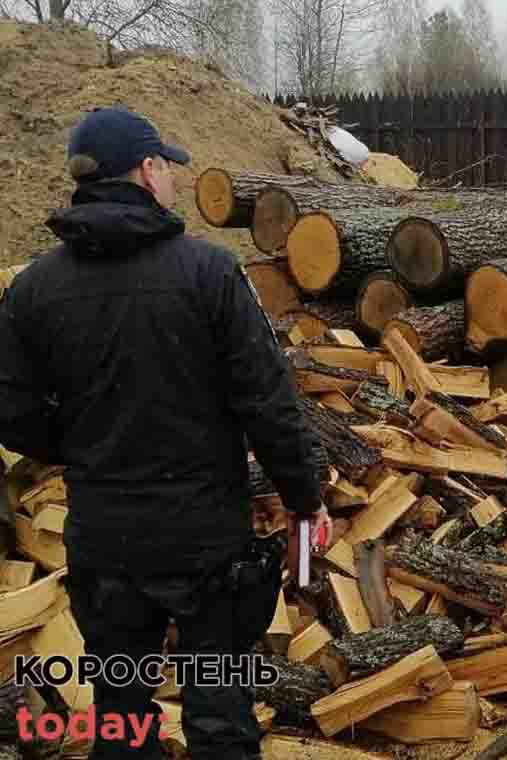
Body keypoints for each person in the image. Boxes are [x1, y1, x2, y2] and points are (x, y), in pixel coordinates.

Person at [0, 106, 332, 759]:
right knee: (221, 719)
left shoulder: (35, 290)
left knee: (120, 720)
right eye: (168, 167)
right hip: (207, 546)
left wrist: (79, 446)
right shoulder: (208, 274)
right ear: (148, 171)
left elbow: (9, 411)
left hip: (104, 543)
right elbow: (267, 402)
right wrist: (304, 495)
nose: (174, 180)